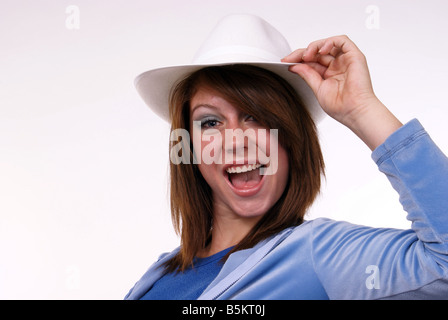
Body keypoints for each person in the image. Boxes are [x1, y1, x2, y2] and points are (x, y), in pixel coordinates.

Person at [125, 14, 448, 299]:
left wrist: (362, 109)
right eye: (210, 122)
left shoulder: (319, 256)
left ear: (292, 141)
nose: (235, 141)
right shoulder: (162, 273)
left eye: (256, 116)